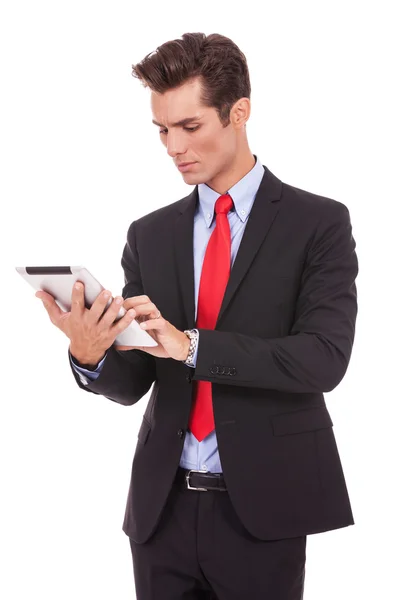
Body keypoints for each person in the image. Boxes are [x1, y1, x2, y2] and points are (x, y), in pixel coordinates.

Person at [36, 32, 358, 600]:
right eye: (162, 130)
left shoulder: (319, 223)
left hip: (263, 510)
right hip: (162, 512)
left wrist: (193, 347)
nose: (172, 147)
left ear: (240, 112)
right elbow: (135, 380)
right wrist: (90, 354)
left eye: (190, 127)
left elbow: (323, 360)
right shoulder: (150, 234)